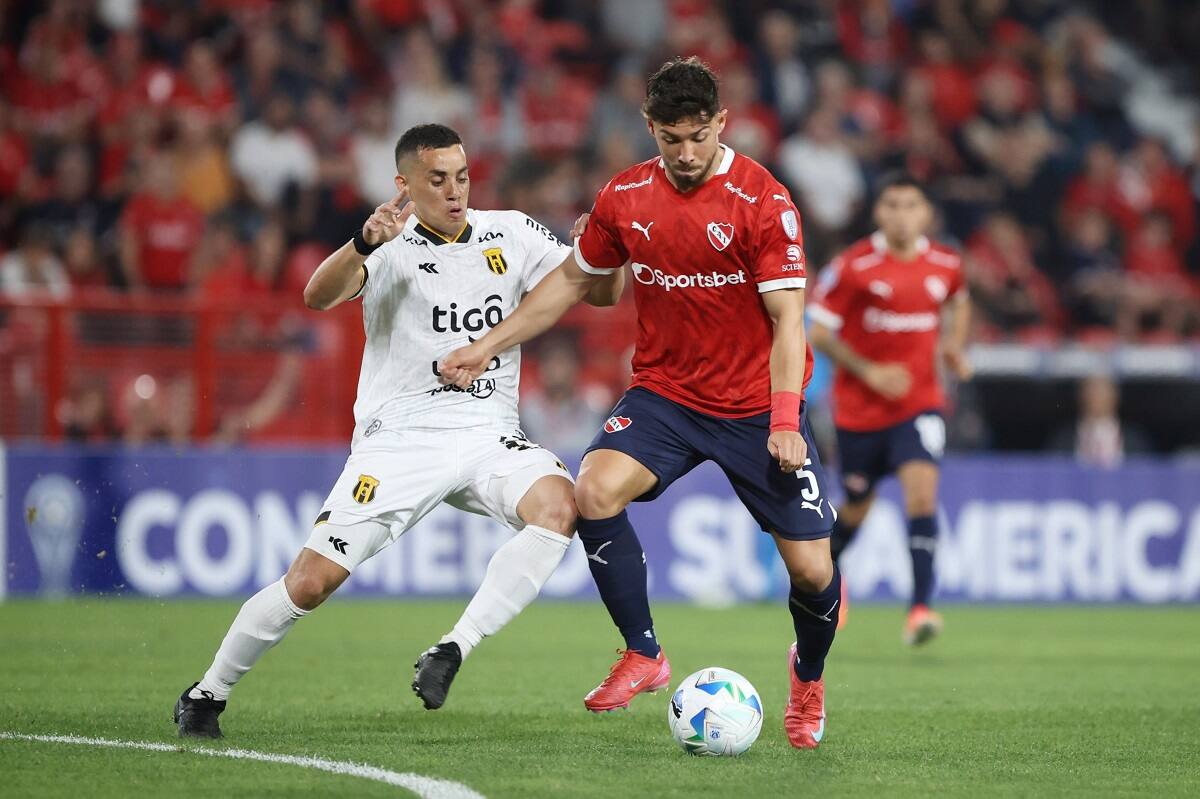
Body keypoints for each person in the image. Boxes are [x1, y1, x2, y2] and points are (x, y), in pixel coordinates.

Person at [440, 57, 839, 750]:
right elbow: (571, 282)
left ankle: (807, 675)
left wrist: (783, 418)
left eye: (697, 137)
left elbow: (789, 321)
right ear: (650, 127)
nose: (685, 154)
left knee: (812, 570)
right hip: (666, 394)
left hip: (752, 403)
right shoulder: (625, 197)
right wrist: (487, 345)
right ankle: (644, 652)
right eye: (670, 139)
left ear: (721, 123)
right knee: (591, 490)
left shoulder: (763, 201)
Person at [173, 123, 620, 738]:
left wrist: (603, 249)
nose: (454, 190)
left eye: (461, 176)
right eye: (437, 179)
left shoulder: (511, 232)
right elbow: (316, 296)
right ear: (404, 183)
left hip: (491, 431)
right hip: (402, 438)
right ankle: (206, 693)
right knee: (310, 582)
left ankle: (453, 649)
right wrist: (360, 243)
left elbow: (598, 293)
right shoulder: (388, 242)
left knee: (558, 508)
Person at [806, 173, 972, 646]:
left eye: (911, 205)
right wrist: (869, 371)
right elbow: (818, 331)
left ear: (926, 214)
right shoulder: (854, 266)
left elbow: (960, 301)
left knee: (922, 495)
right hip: (860, 411)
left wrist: (954, 347)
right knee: (855, 508)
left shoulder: (945, 263)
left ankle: (920, 608)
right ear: (879, 212)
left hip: (920, 404)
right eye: (892, 204)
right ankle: (828, 575)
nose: (902, 214)